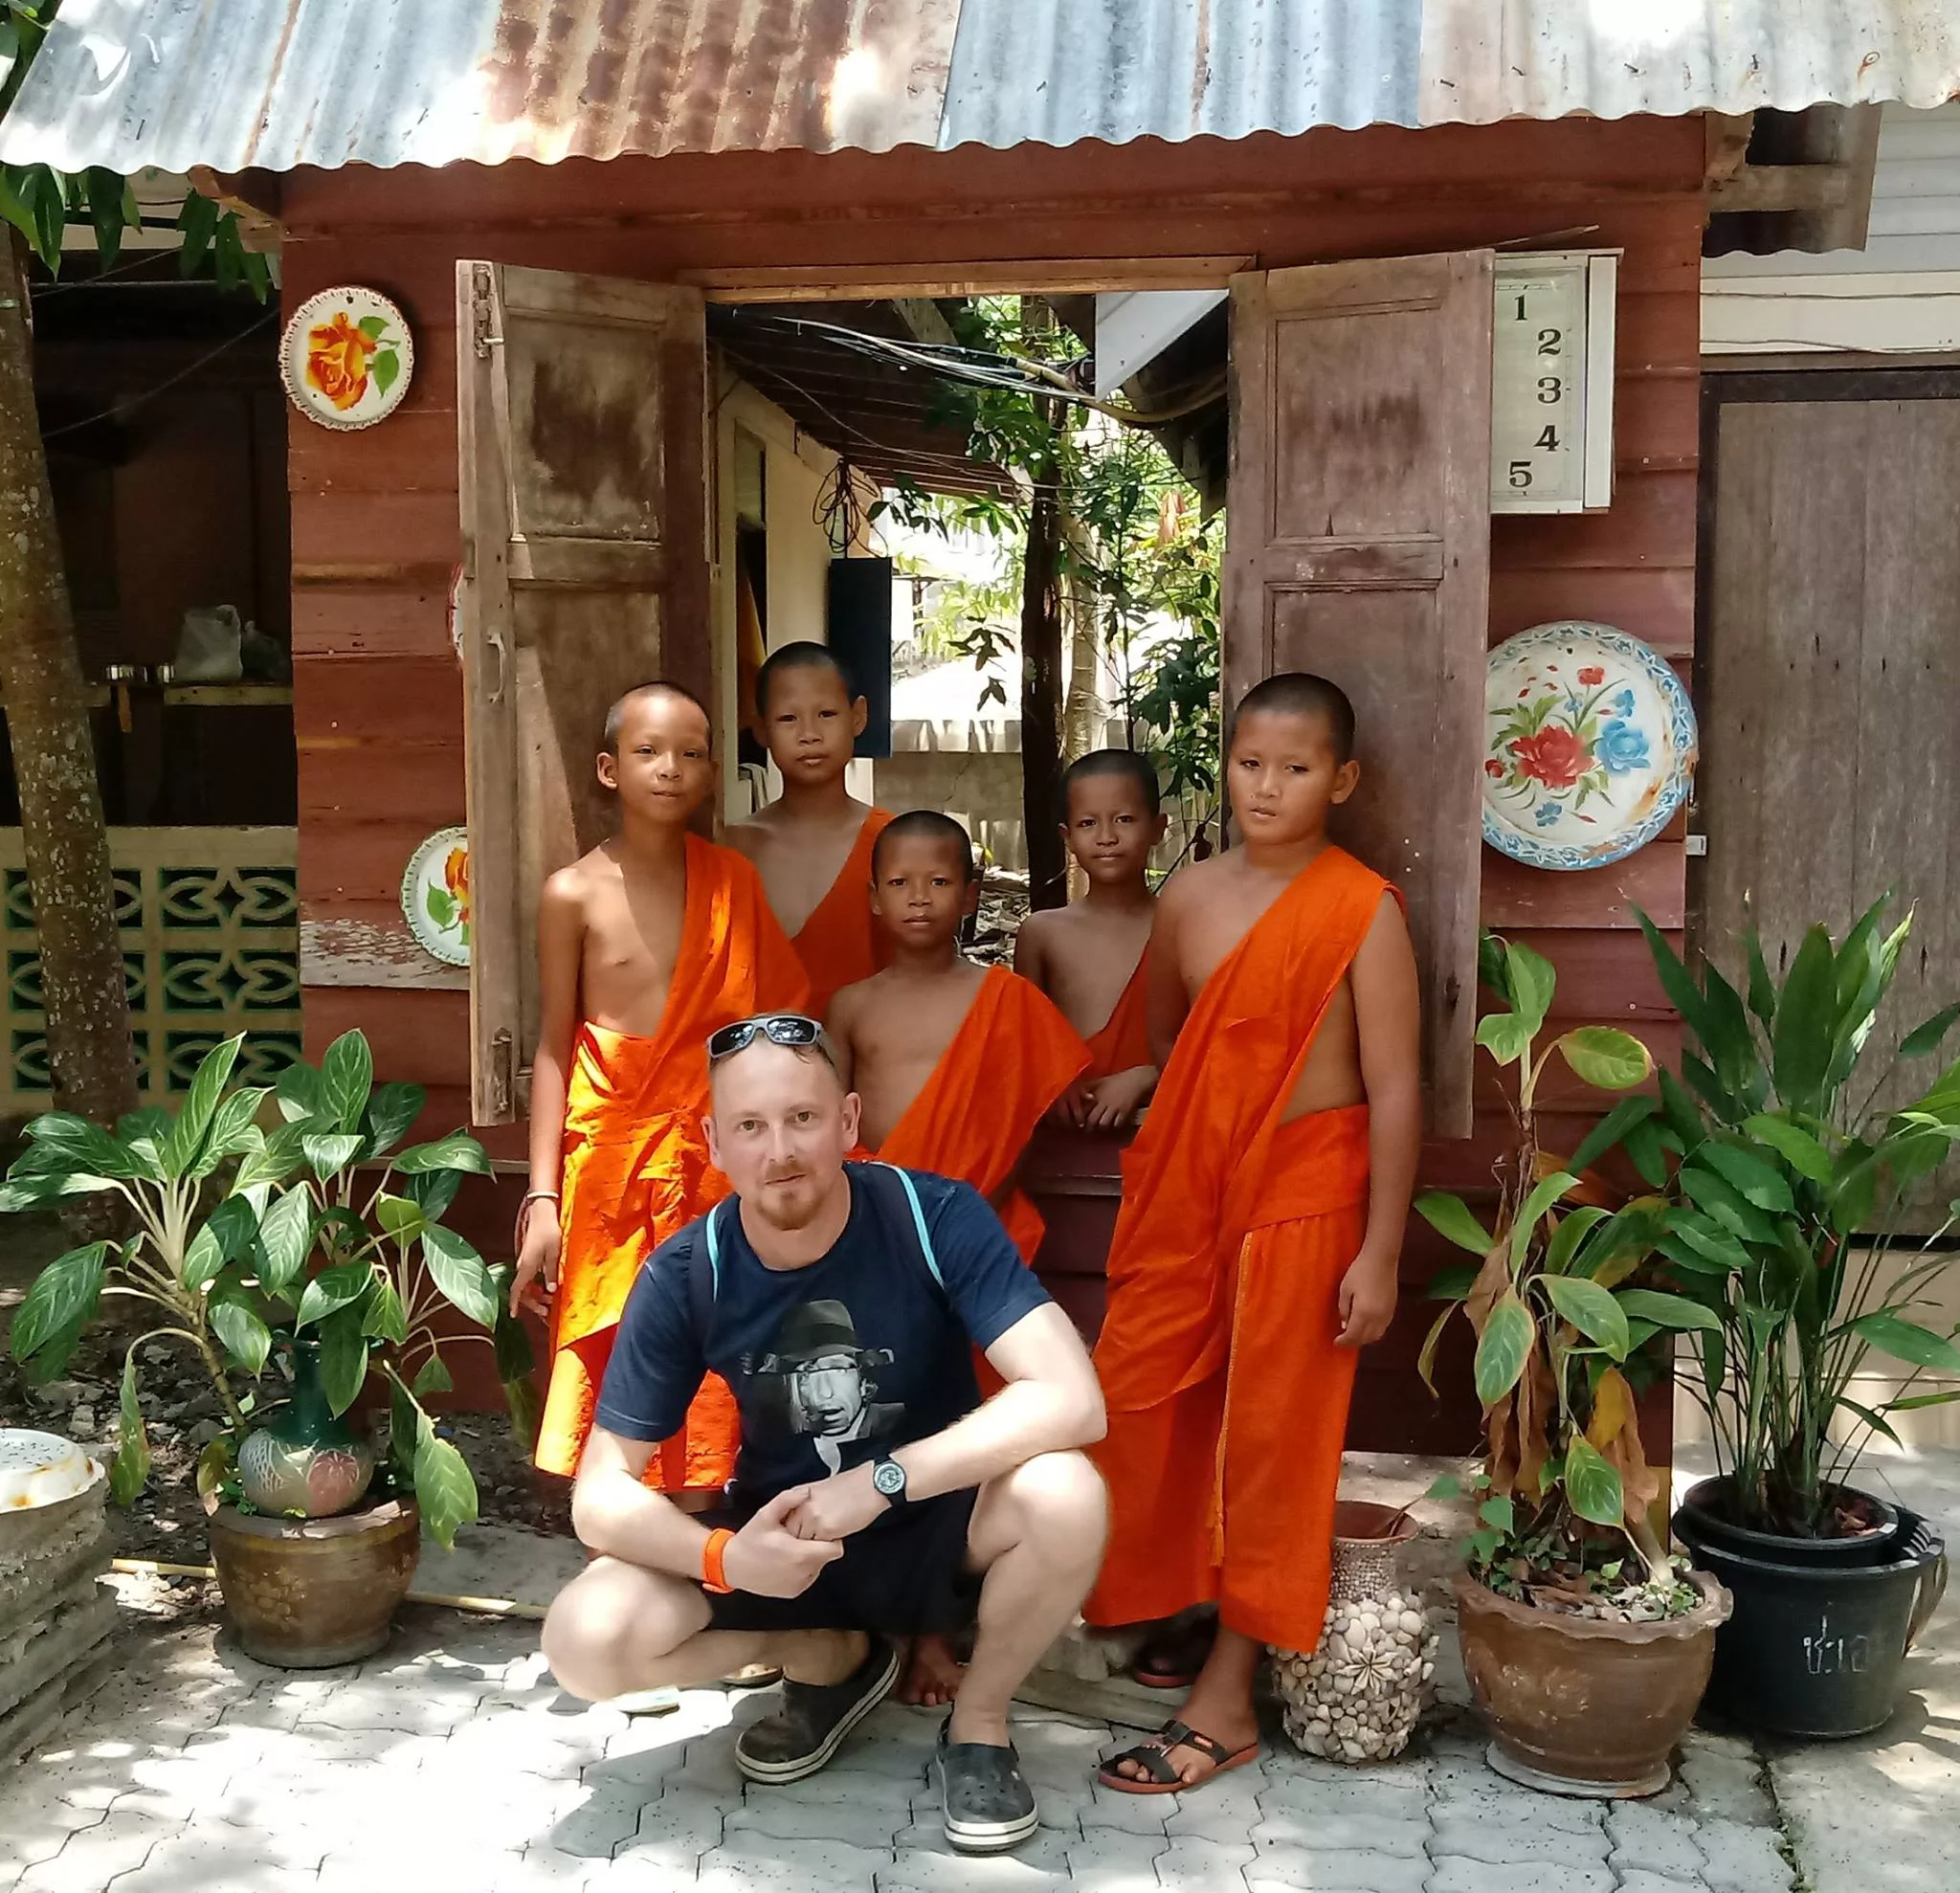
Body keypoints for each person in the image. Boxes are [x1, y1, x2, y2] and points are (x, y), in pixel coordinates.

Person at [539, 1014, 1108, 1856]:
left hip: (933, 1526)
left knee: (1067, 1494)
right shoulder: (688, 1272)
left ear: (847, 1122)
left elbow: (1072, 1398)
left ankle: (981, 1726)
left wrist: (878, 1483)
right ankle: (828, 1659)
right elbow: (601, 1496)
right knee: (584, 1640)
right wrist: (730, 1560)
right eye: (751, 1127)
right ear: (715, 1143)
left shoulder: (932, 1215)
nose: (781, 1152)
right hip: (783, 1547)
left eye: (802, 1119)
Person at [1087, 672, 1422, 1795]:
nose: (1266, 786)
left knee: (1272, 1442)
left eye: (1294, 766)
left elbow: (1394, 1087)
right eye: (1247, 764)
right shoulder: (1187, 896)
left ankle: (1226, 1697)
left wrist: (1377, 1251)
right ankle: (1182, 1604)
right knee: (1141, 1400)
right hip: (1189, 1193)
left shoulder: (1360, 908)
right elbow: (1176, 1043)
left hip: (1306, 1203)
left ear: (1342, 778)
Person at [513, 681, 809, 1495]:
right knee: (613, 1342)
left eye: (689, 754)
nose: (669, 769)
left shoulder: (733, 883)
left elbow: (774, 1026)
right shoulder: (571, 892)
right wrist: (541, 1200)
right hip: (611, 1157)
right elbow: (552, 1048)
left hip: (717, 1151)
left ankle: (703, 1519)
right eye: (647, 752)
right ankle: (616, 1526)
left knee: (723, 1334)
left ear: (711, 772)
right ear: (610, 769)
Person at [827, 809, 1089, 1708]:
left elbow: (1025, 1112)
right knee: (873, 1423)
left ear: (973, 895)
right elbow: (834, 1129)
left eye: (939, 881)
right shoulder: (851, 1005)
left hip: (974, 1237)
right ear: (871, 897)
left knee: (960, 1431)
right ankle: (883, 1620)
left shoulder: (1004, 999)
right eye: (899, 882)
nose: (919, 898)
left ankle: (941, 1626)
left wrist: (955, 1217)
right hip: (873, 1240)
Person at [725, 642, 893, 1021]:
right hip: (754, 1064)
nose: (809, 734)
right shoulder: (732, 847)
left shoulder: (892, 843)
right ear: (760, 728)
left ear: (859, 716)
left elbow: (924, 977)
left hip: (868, 1062)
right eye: (788, 719)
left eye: (827, 714)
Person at [1013, 750, 1168, 1129]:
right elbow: (1024, 1045)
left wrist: (1149, 1075)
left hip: (1162, 1127)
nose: (1107, 837)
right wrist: (1055, 1078)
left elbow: (1209, 1042)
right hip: (1067, 1129)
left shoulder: (1184, 926)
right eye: (1087, 823)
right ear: (1067, 836)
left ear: (1158, 828)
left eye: (1125, 819)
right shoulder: (1042, 933)